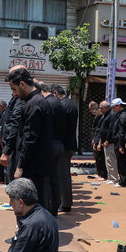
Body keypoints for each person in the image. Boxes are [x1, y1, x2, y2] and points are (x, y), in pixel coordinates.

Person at [5, 67, 53, 209]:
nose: (14, 94)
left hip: (33, 164)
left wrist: (20, 166)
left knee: (30, 201)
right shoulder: (39, 101)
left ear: (22, 84)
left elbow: (30, 138)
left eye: (14, 89)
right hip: (38, 162)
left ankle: (33, 229)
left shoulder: (33, 104)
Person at [52, 84, 78, 212]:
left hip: (65, 144)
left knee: (62, 175)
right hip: (69, 143)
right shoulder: (71, 104)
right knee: (64, 174)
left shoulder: (62, 105)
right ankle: (65, 202)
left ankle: (66, 204)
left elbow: (61, 127)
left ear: (56, 93)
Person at [43, 84, 64, 216]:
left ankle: (49, 208)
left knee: (47, 179)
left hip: (50, 145)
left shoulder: (47, 103)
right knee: (55, 178)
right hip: (59, 143)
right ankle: (55, 207)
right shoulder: (60, 103)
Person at [1, 87, 24, 184]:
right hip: (12, 143)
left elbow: (14, 124)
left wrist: (7, 149)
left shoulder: (20, 101)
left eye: (14, 89)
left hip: (15, 145)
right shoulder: (16, 100)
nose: (13, 92)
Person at [99, 101, 118, 184]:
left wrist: (108, 140)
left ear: (107, 108)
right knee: (108, 161)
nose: (100, 109)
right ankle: (110, 177)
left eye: (101, 108)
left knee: (111, 160)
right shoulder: (105, 115)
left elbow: (111, 129)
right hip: (105, 142)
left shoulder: (111, 115)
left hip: (109, 142)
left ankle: (114, 178)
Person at [111, 98, 126, 188]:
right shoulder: (119, 115)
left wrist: (121, 145)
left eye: (114, 107)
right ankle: (121, 179)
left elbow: (122, 132)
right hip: (117, 141)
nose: (113, 109)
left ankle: (123, 181)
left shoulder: (123, 116)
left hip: (120, 142)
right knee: (119, 162)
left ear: (119, 106)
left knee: (121, 162)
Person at [90, 101, 107, 180]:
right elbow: (95, 129)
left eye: (94, 112)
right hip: (96, 139)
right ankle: (99, 173)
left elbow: (101, 131)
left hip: (100, 140)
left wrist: (99, 142)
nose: (94, 114)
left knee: (101, 158)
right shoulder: (96, 118)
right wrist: (93, 139)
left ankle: (103, 175)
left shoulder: (103, 118)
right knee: (97, 158)